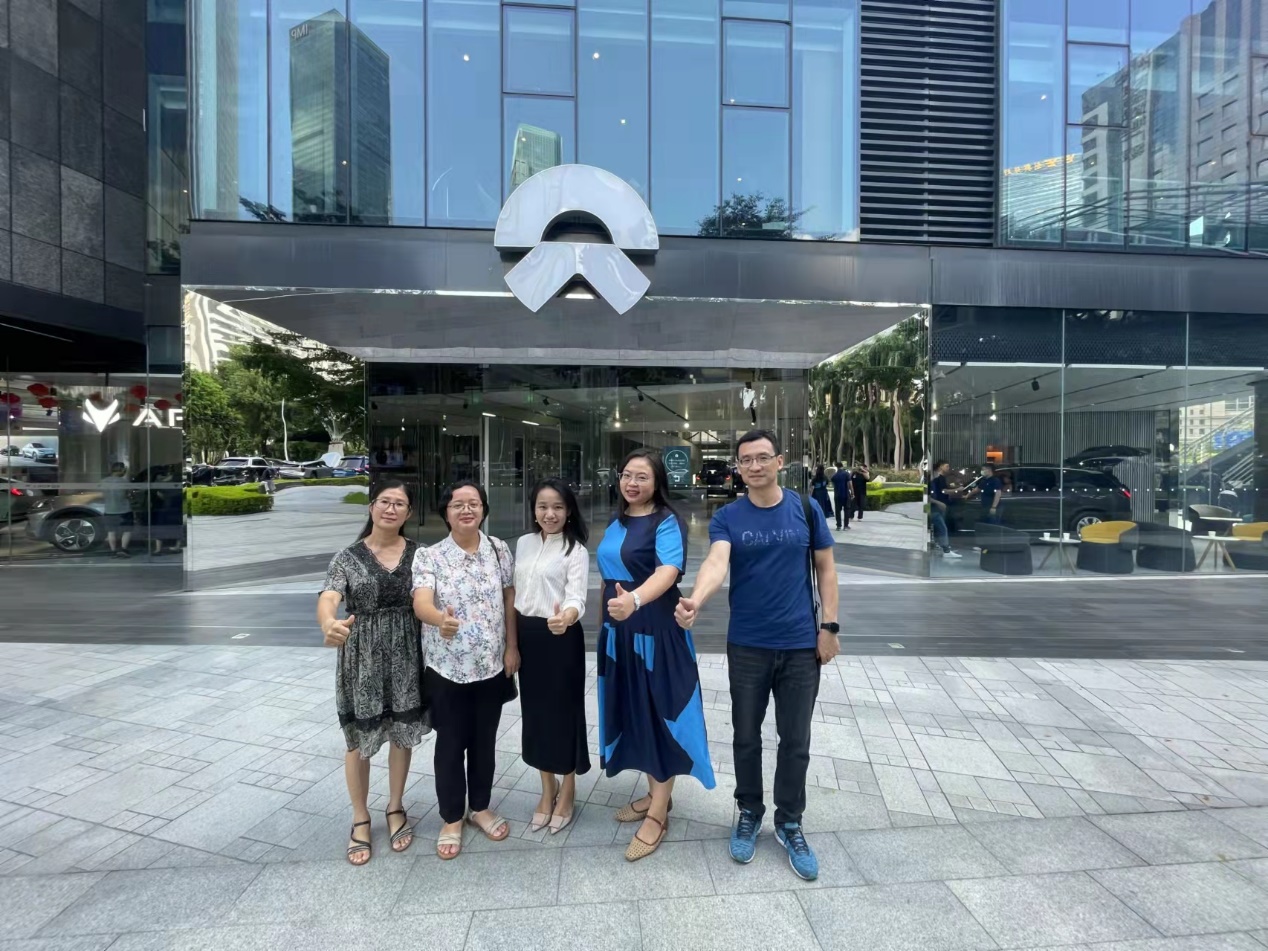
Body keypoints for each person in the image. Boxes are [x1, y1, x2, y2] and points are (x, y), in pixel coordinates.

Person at [676, 429, 839, 881]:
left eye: (762, 457)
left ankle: (790, 821)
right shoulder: (728, 516)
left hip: (800, 645)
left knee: (796, 739)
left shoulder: (806, 508)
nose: (754, 466)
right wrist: (696, 600)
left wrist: (829, 627)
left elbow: (826, 569)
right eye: (746, 460)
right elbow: (717, 562)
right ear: (738, 467)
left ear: (779, 461)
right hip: (748, 645)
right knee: (745, 735)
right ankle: (749, 810)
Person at [597, 448, 714, 862]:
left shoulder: (666, 521)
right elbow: (609, 575)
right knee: (637, 714)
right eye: (627, 475)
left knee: (660, 716)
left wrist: (635, 600)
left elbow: (668, 571)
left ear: (658, 482)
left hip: (655, 634)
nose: (632, 483)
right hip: (620, 634)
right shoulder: (618, 521)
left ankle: (659, 813)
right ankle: (655, 794)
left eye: (642, 477)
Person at [317, 480, 427, 866]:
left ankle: (395, 806)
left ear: (409, 513)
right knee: (358, 740)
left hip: (406, 656)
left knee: (401, 733)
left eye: (400, 503)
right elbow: (329, 596)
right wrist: (328, 622)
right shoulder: (347, 557)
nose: (391, 509)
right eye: (384, 501)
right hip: (361, 658)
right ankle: (360, 817)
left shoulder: (421, 555)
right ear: (371, 507)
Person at [412, 480, 518, 860]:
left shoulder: (499, 549)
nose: (467, 510)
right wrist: (439, 619)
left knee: (485, 742)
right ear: (446, 512)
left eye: (474, 503)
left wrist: (512, 645)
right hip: (447, 668)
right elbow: (421, 602)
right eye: (458, 504)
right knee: (451, 743)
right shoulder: (429, 556)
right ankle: (452, 816)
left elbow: (508, 598)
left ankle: (481, 807)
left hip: (490, 665)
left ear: (484, 509)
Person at [514, 478, 591, 836]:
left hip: (561, 636)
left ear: (569, 510)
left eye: (558, 507)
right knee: (535, 714)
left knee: (564, 714)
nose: (550, 514)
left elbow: (577, 597)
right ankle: (547, 788)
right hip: (527, 637)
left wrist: (567, 617)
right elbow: (514, 592)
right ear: (534, 510)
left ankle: (568, 787)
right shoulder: (524, 543)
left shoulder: (576, 550)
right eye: (543, 506)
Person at [929, 460, 962, 558]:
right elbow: (942, 491)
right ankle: (946, 550)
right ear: (940, 467)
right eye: (946, 466)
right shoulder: (936, 479)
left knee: (940, 527)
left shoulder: (940, 479)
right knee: (942, 528)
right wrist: (957, 490)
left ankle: (942, 547)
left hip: (938, 506)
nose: (948, 468)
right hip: (935, 507)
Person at [101, 462, 133, 557]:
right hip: (124, 509)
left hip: (109, 509)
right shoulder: (124, 482)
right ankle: (123, 549)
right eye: (124, 470)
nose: (125, 471)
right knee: (127, 530)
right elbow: (130, 494)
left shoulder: (103, 481)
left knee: (111, 531)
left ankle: (113, 551)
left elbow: (102, 494)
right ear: (121, 470)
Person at [831, 462, 852, 530]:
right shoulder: (846, 474)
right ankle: (846, 526)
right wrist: (852, 492)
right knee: (847, 510)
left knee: (838, 510)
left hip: (837, 495)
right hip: (845, 494)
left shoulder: (834, 476)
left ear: (836, 467)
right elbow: (850, 484)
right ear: (842, 466)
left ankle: (838, 525)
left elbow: (833, 484)